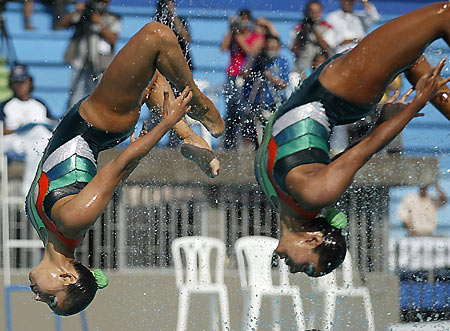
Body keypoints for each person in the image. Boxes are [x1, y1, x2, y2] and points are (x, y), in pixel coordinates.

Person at [26, 21, 224, 316]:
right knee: (155, 36)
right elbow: (115, 169)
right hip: (99, 122)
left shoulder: (51, 233)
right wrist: (165, 125)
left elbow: (112, 177)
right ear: (67, 277)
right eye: (52, 299)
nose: (40, 298)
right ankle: (194, 102)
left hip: (97, 124)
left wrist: (139, 150)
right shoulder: (71, 221)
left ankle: (190, 138)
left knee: (150, 70)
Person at [255, 2, 450, 277]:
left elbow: (346, 157)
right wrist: (416, 103)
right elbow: (363, 152)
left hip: (335, 84)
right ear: (314, 240)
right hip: (344, 89)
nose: (297, 271)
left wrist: (384, 121)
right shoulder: (316, 195)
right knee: (443, 16)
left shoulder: (287, 202)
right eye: (308, 267)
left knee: (413, 56)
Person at [0, 64, 55, 196]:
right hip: (14, 141)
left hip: (36, 142)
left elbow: (53, 123)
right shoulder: (5, 105)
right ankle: (29, 193)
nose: (20, 86)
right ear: (11, 84)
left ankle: (32, 191)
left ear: (29, 82)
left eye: (22, 81)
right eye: (16, 82)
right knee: (37, 141)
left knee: (39, 141)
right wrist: (20, 129)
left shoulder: (39, 104)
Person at [58, 0, 121, 109]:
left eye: (104, 1)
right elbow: (63, 24)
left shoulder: (113, 17)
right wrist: (78, 11)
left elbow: (113, 38)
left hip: (101, 65)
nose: (100, 4)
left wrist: (99, 23)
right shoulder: (83, 15)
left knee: (100, 98)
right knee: (76, 98)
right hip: (81, 63)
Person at [220, 9, 264, 149]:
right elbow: (223, 47)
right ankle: (230, 143)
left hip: (248, 76)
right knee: (231, 108)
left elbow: (251, 51)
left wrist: (237, 34)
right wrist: (231, 30)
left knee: (246, 109)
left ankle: (249, 141)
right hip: (233, 74)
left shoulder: (256, 36)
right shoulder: (233, 34)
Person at [240, 34, 290, 148]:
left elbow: (284, 84)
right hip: (256, 103)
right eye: (269, 47)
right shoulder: (256, 60)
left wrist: (270, 76)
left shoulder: (282, 61)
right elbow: (244, 74)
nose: (272, 50)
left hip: (274, 103)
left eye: (274, 47)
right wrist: (253, 56)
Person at [290, 1, 332, 78]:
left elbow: (327, 47)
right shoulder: (298, 28)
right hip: (302, 69)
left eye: (317, 11)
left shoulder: (327, 27)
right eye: (312, 12)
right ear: (307, 12)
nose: (315, 14)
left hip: (321, 70)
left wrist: (313, 29)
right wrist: (302, 32)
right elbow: (294, 51)